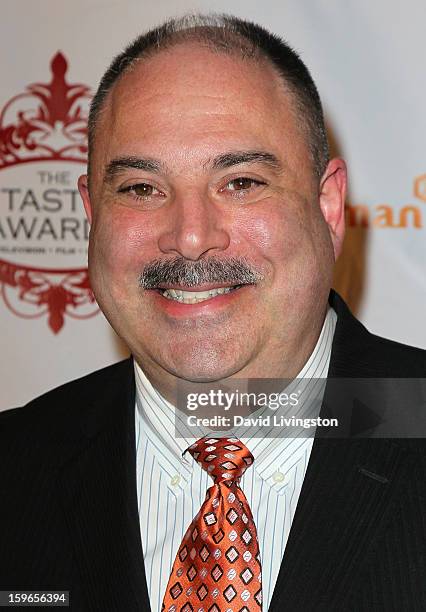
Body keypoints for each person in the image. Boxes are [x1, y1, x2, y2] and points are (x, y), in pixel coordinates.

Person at [0, 14, 425, 612]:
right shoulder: (15, 471)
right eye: (141, 188)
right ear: (92, 216)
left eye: (241, 181)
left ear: (328, 207)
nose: (191, 237)